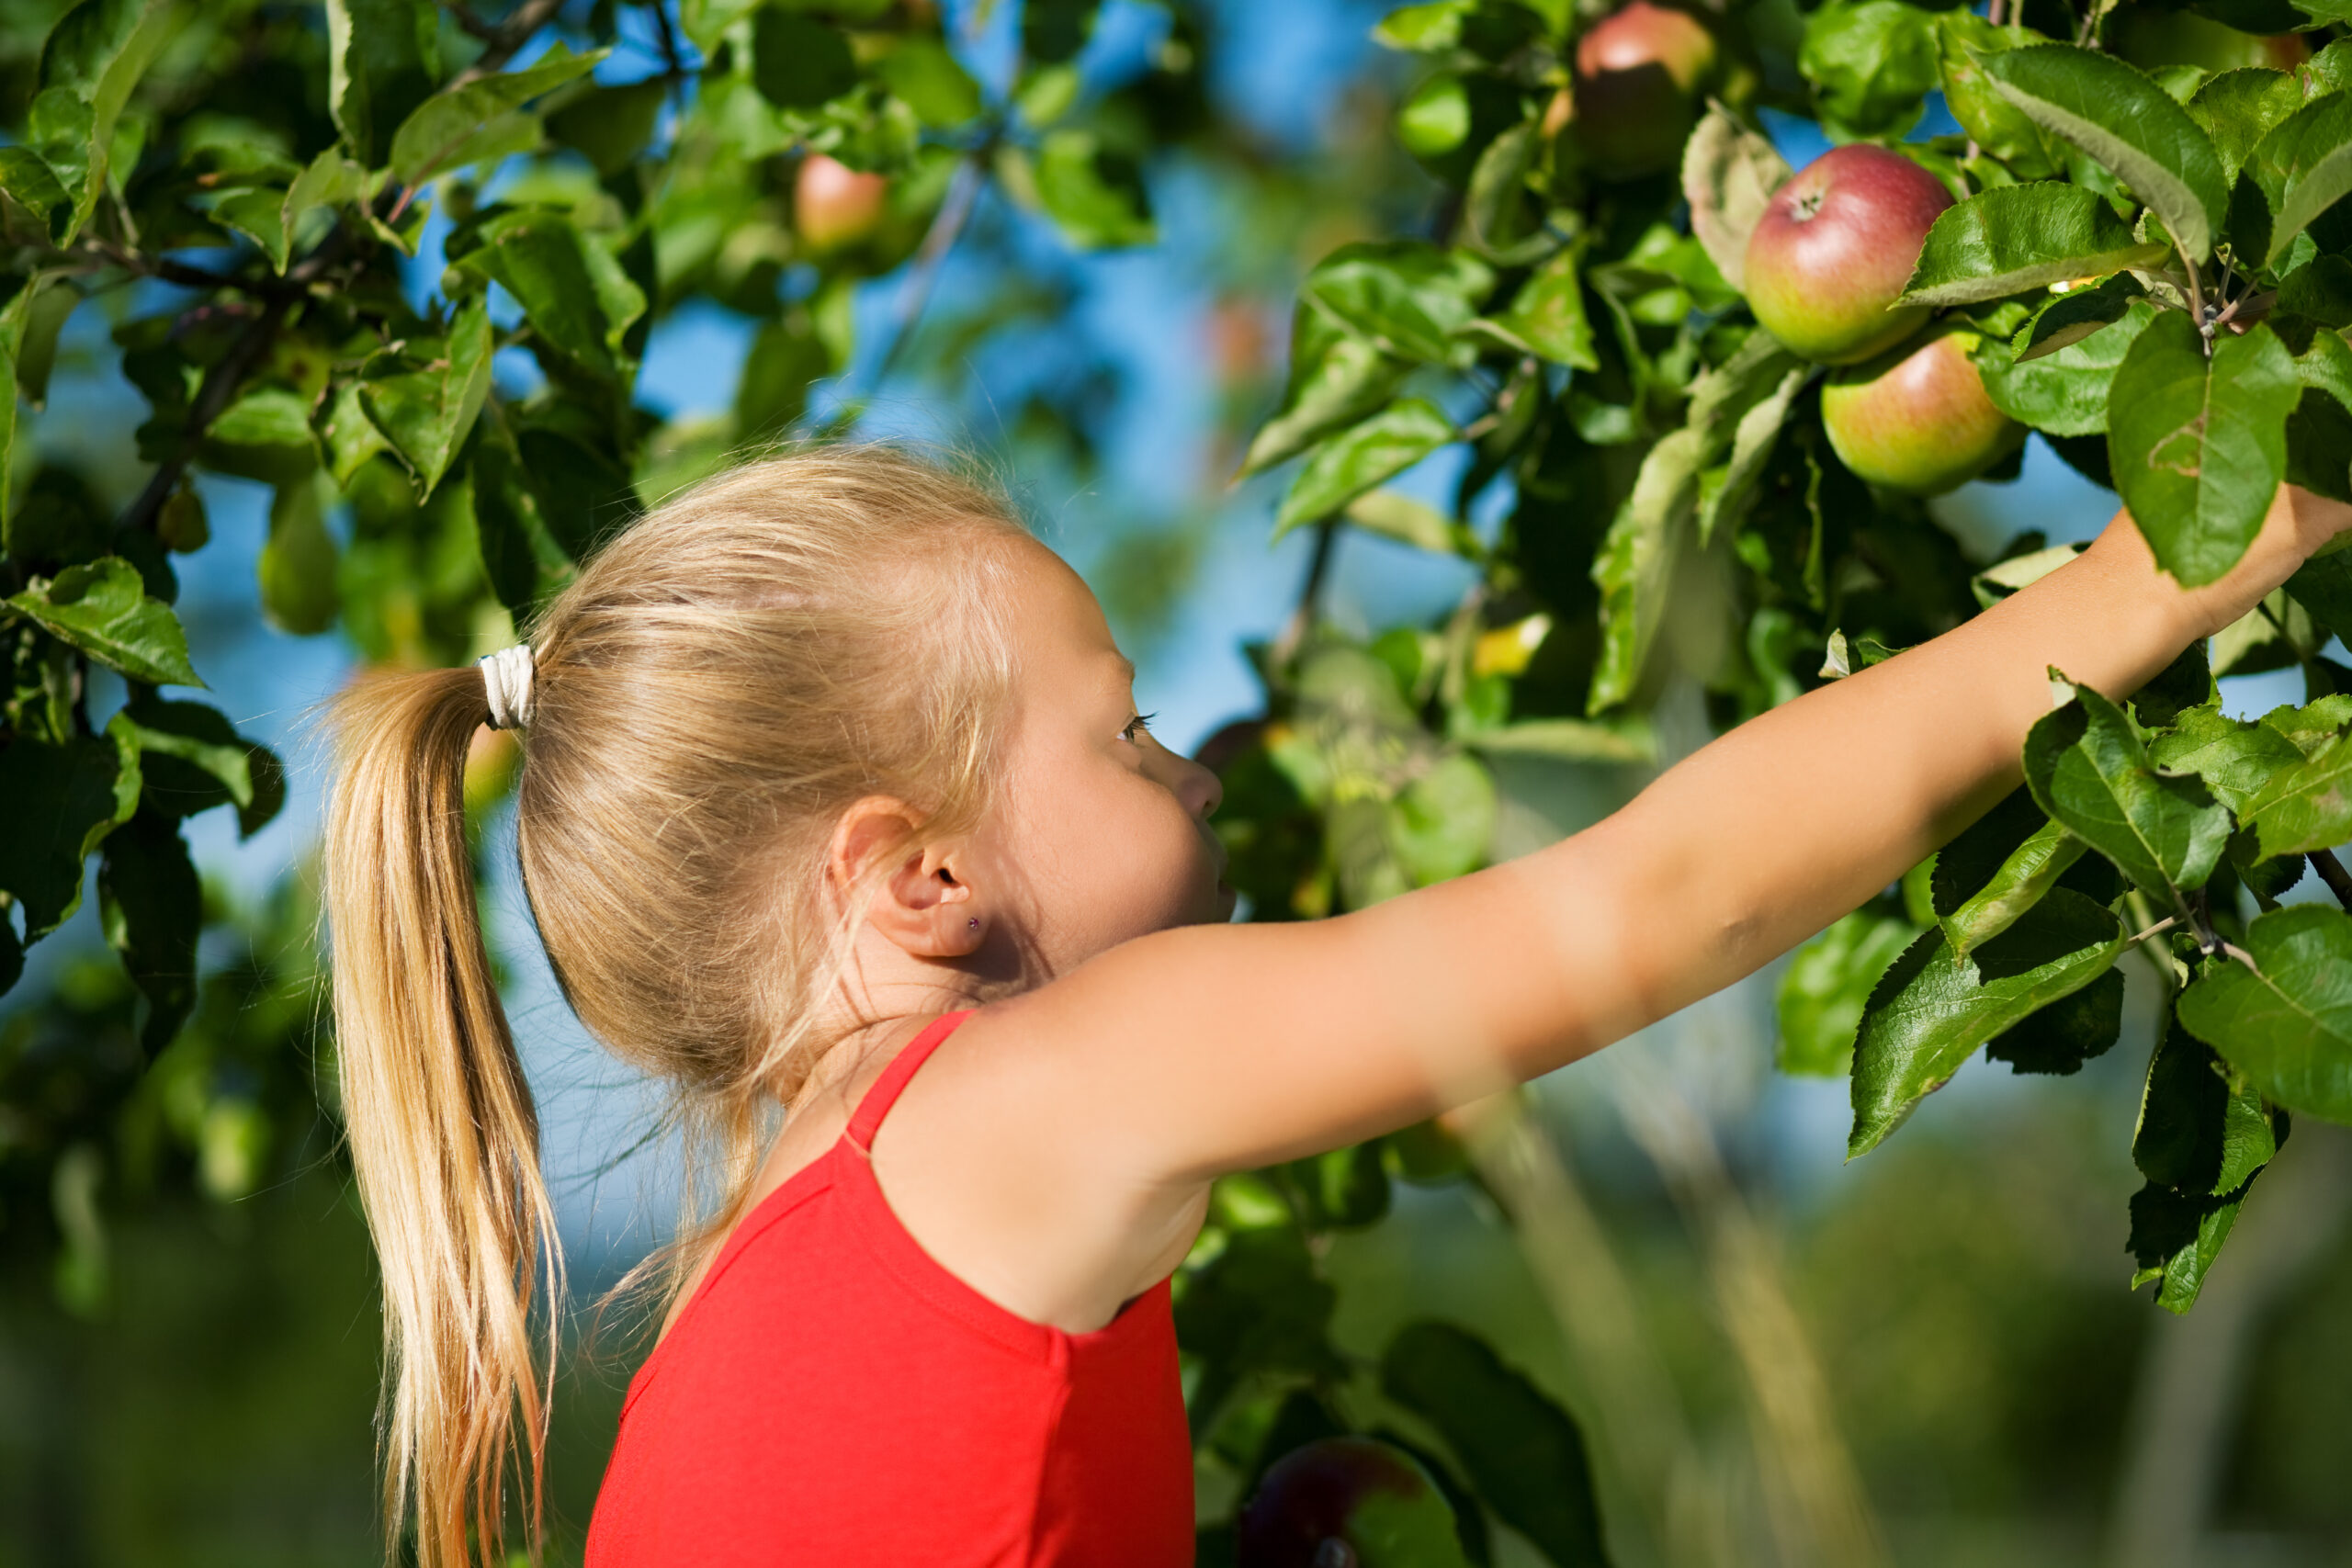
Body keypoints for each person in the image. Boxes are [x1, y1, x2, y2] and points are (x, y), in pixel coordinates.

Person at [321, 446, 2352, 1567]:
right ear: (914, 877)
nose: (1194, 760)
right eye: (1118, 730)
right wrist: (2153, 570)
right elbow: (1659, 898)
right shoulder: (1031, 1089)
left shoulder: (720, 1325)